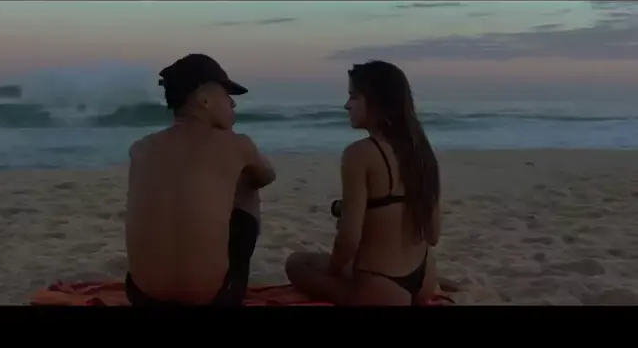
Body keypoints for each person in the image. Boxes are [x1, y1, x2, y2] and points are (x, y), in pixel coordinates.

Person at [285, 60, 442, 306]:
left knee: (296, 264)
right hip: (425, 280)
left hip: (382, 287)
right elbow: (433, 235)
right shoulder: (422, 152)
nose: (346, 105)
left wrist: (334, 269)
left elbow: (349, 240)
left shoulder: (360, 154)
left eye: (353, 96)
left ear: (378, 102)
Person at [124, 53, 276, 306]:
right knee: (248, 185)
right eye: (227, 95)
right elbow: (267, 176)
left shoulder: (141, 147)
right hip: (212, 300)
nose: (233, 104)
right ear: (205, 99)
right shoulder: (238, 144)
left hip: (142, 297)